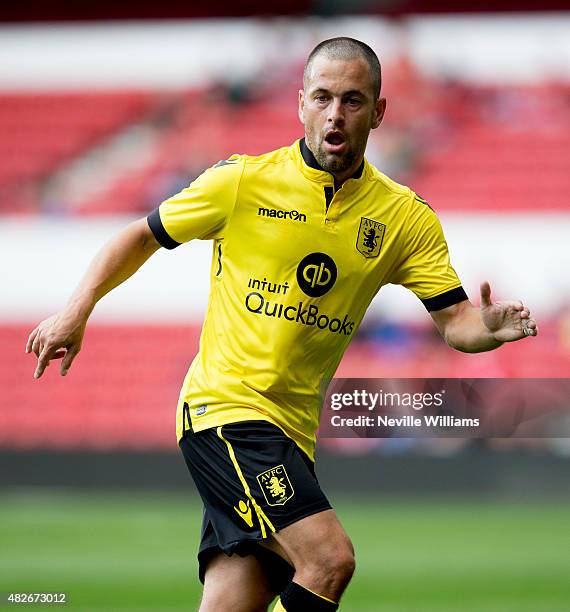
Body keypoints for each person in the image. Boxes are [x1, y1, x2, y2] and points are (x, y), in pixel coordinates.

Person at [26, 37, 537, 612]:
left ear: (380, 111)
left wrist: (486, 329)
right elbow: (141, 234)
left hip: (293, 433)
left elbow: (455, 323)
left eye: (352, 100)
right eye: (322, 98)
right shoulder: (241, 182)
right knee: (328, 560)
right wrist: (76, 310)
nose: (335, 115)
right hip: (226, 414)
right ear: (300, 104)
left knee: (233, 604)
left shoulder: (404, 219)